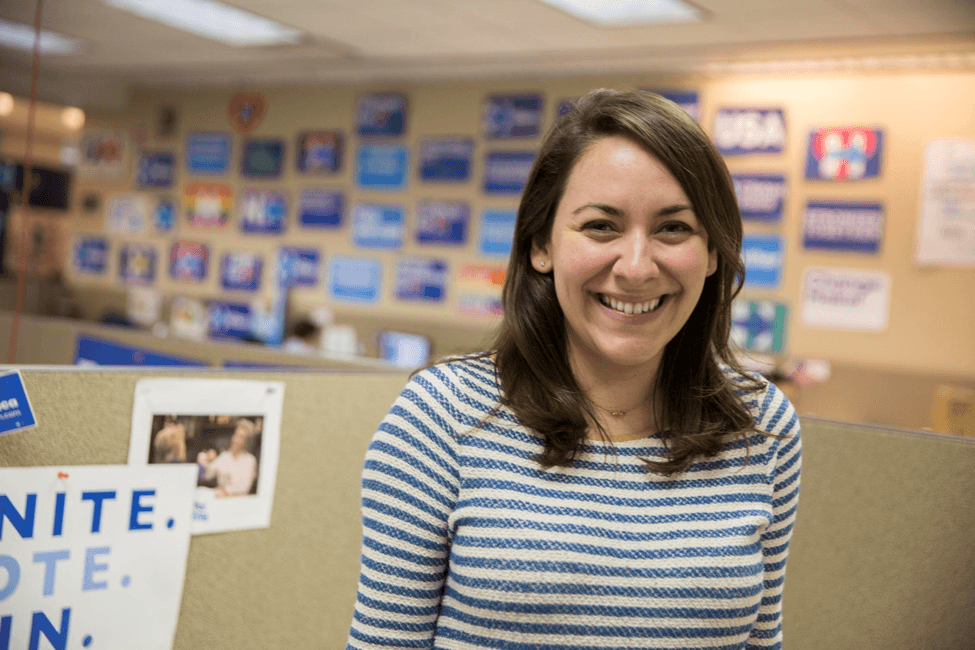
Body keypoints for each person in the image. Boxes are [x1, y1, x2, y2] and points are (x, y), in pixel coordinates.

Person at [346, 89, 801, 649]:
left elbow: (761, 641)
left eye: (674, 228)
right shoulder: (441, 415)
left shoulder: (762, 425)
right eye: (602, 226)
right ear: (541, 244)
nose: (636, 267)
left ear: (712, 253)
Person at [197, 418, 258, 497]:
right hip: (220, 497)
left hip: (238, 500)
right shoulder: (225, 456)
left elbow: (244, 488)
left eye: (240, 437)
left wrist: (226, 492)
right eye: (236, 435)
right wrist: (205, 460)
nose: (235, 440)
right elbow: (207, 475)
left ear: (246, 442)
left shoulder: (250, 460)